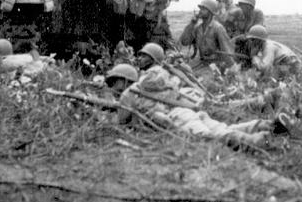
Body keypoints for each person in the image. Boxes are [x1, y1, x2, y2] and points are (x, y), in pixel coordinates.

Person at [118, 43, 280, 149]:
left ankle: (255, 139)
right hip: (190, 107)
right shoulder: (165, 74)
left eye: (144, 56)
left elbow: (123, 122)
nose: (140, 59)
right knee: (220, 128)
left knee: (211, 135)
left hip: (181, 111)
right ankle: (265, 126)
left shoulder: (136, 88)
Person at [179, 0, 235, 71]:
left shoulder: (218, 28)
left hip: (216, 63)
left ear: (210, 12)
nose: (200, 11)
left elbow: (227, 50)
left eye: (204, 9)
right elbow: (184, 42)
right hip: (203, 62)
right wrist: (192, 23)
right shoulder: (197, 28)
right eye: (200, 8)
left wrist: (233, 69)